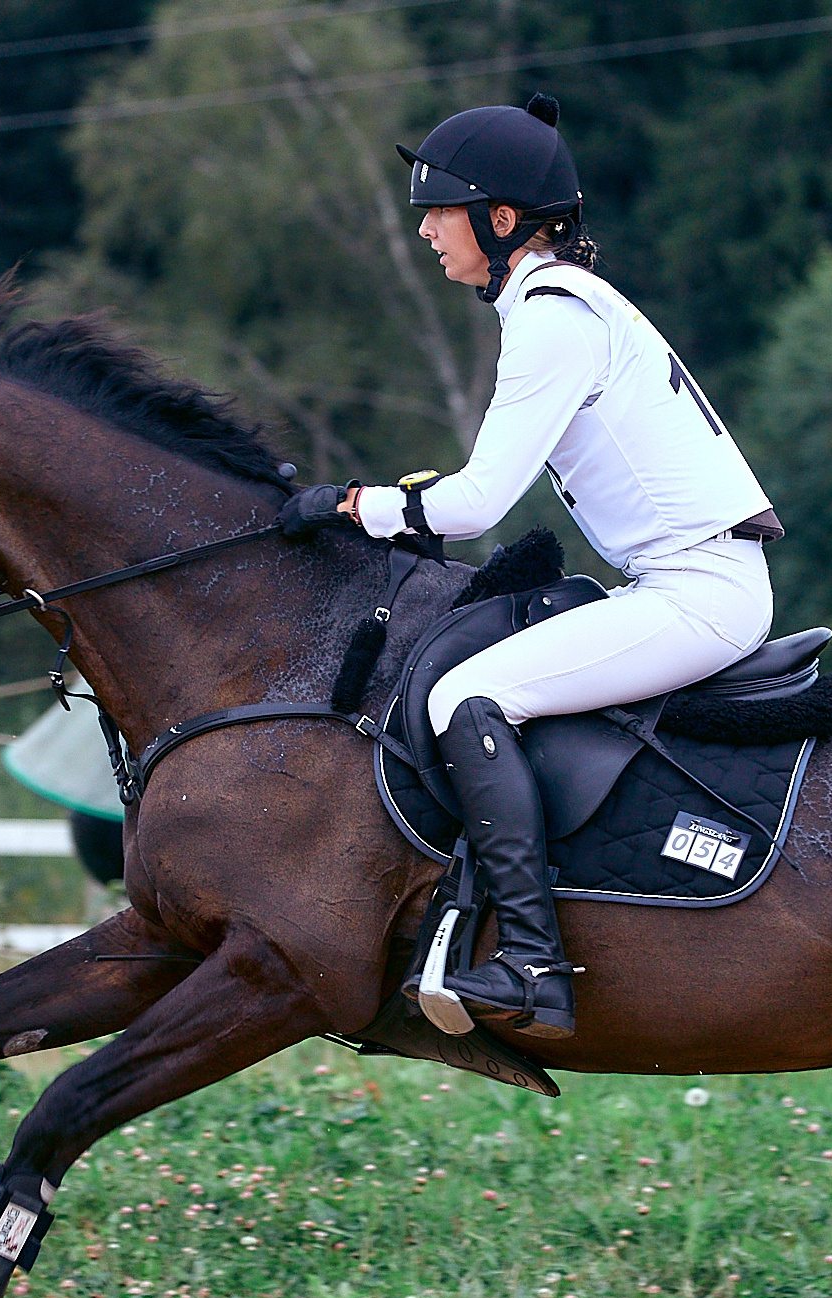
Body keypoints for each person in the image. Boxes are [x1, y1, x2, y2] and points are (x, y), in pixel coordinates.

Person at [279, 93, 782, 1043]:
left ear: (502, 221)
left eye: (441, 209)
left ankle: (534, 964)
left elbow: (474, 506)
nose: (425, 227)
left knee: (467, 700)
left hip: (700, 594)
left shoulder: (552, 316)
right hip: (683, 582)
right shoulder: (564, 305)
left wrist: (354, 507)